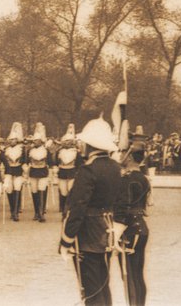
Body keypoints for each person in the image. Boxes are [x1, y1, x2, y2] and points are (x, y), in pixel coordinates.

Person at [58, 118, 121, 306]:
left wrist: (66, 240)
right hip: (107, 230)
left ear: (90, 145)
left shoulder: (88, 170)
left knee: (91, 291)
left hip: (88, 235)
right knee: (103, 284)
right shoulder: (115, 167)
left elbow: (76, 208)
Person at [114, 132, 150, 306]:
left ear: (128, 157)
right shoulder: (143, 178)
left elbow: (123, 208)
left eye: (122, 153)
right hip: (140, 227)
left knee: (128, 275)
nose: (120, 156)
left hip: (130, 229)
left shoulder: (127, 179)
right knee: (136, 274)